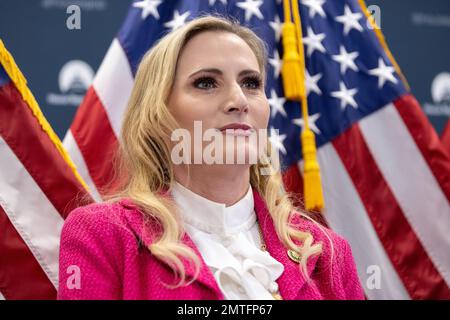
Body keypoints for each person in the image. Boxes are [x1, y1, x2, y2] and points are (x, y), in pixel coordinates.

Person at [58, 15, 365, 300]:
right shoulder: (103, 235)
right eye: (206, 83)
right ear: (158, 115)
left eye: (251, 83)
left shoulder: (328, 253)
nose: (239, 101)